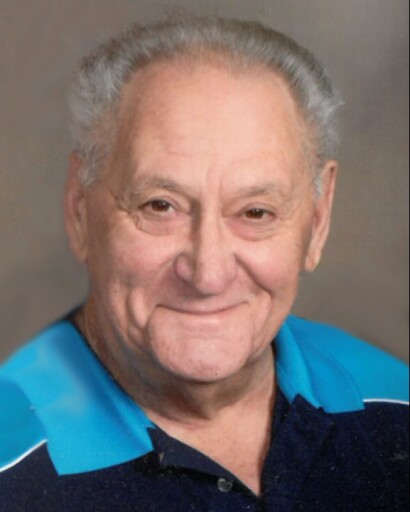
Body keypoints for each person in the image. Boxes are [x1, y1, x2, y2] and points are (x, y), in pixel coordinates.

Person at [0, 16, 408, 512]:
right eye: (160, 206)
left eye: (255, 212)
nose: (208, 275)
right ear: (80, 209)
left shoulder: (397, 404)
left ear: (318, 220)